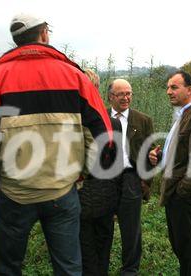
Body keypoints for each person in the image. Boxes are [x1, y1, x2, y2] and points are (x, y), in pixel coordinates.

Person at [0, 14, 112, 275]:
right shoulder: (76, 77)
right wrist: (82, 173)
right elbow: (104, 137)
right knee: (68, 268)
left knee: (7, 268)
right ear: (44, 34)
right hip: (62, 191)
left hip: (14, 194)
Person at [149, 70, 191, 276]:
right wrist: (160, 157)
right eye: (168, 87)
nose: (169, 91)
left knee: (190, 252)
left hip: (183, 197)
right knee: (182, 249)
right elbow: (182, 155)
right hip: (175, 194)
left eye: (174, 87)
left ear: (190, 89)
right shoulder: (184, 115)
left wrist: (181, 192)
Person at [79, 69, 123, 276]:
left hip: (82, 195)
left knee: (84, 253)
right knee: (101, 250)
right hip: (105, 195)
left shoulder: (71, 122)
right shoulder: (110, 122)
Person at [108, 78, 154, 275]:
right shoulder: (100, 117)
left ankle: (130, 270)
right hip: (105, 180)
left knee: (131, 228)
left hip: (130, 178)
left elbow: (151, 151)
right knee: (102, 225)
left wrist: (146, 179)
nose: (126, 98)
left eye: (129, 94)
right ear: (111, 97)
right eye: (121, 94)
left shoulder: (143, 120)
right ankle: (99, 266)